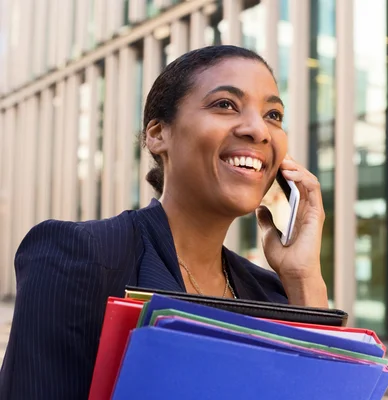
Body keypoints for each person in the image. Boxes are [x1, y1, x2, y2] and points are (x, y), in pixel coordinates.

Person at [0, 45, 328, 400]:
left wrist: (302, 277)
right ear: (158, 134)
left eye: (274, 115)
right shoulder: (81, 255)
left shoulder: (273, 293)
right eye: (225, 105)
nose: (258, 130)